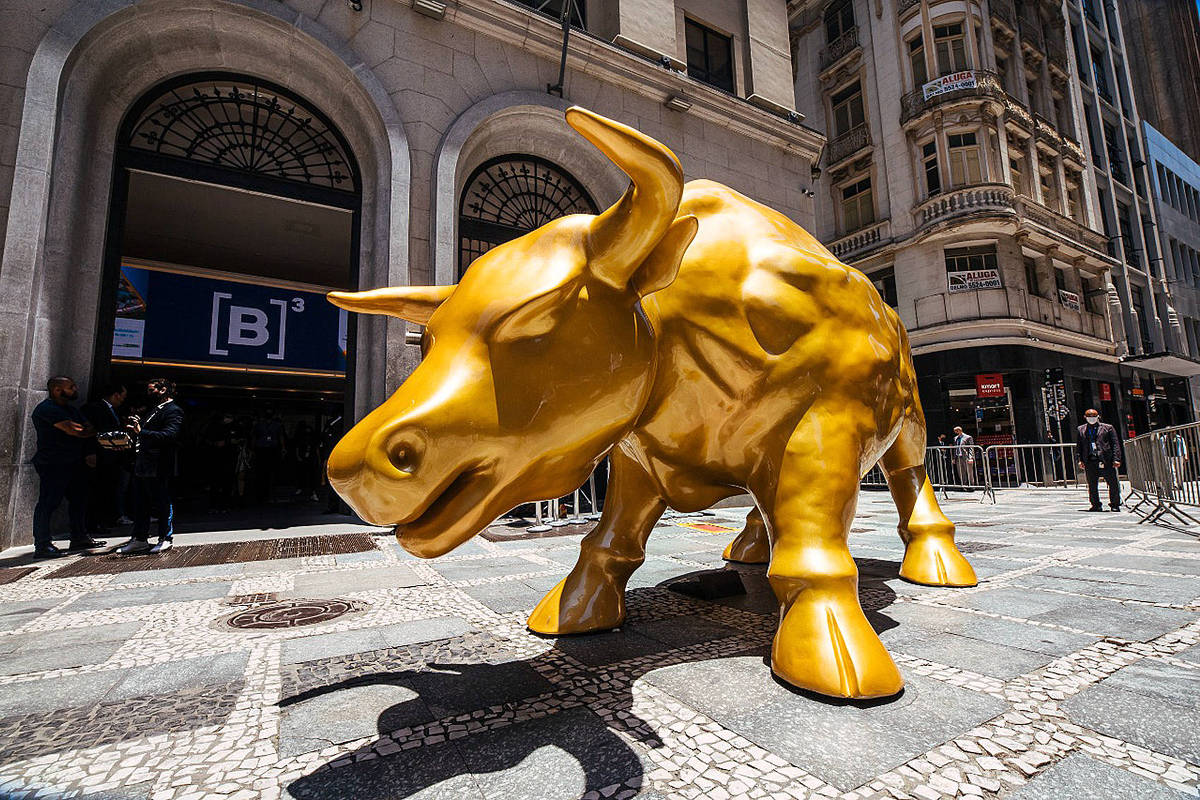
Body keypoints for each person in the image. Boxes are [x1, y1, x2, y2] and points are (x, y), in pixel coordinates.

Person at [30, 376, 104, 557]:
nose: (75, 389)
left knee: (79, 500)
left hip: (74, 462)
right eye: (71, 387)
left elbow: (88, 428)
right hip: (53, 463)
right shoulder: (47, 409)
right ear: (57, 390)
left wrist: (86, 430)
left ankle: (79, 537)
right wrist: (84, 431)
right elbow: (78, 431)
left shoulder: (71, 409)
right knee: (48, 503)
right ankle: (42, 544)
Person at [116, 378, 183, 554]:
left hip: (159, 465)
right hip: (142, 465)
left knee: (161, 501)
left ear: (163, 390)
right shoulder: (153, 410)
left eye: (151, 389)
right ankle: (139, 538)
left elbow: (170, 435)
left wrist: (141, 431)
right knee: (140, 503)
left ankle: (165, 538)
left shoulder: (173, 411)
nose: (148, 393)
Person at [81, 382, 129, 535]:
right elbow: (88, 432)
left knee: (106, 490)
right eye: (122, 397)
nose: (122, 400)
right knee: (96, 491)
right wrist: (90, 452)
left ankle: (101, 521)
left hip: (111, 458)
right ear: (115, 395)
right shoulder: (93, 409)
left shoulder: (114, 410)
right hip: (99, 457)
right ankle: (92, 524)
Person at [1076, 408, 1121, 512]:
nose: (1091, 419)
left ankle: (1115, 504)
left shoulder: (1108, 428)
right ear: (1085, 417)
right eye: (1089, 417)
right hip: (1090, 459)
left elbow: (1115, 444)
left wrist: (1116, 458)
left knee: (1112, 482)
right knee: (1092, 484)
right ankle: (1095, 504)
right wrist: (1080, 460)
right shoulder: (1081, 429)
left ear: (1098, 417)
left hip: (1105, 459)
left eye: (1094, 416)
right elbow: (1079, 446)